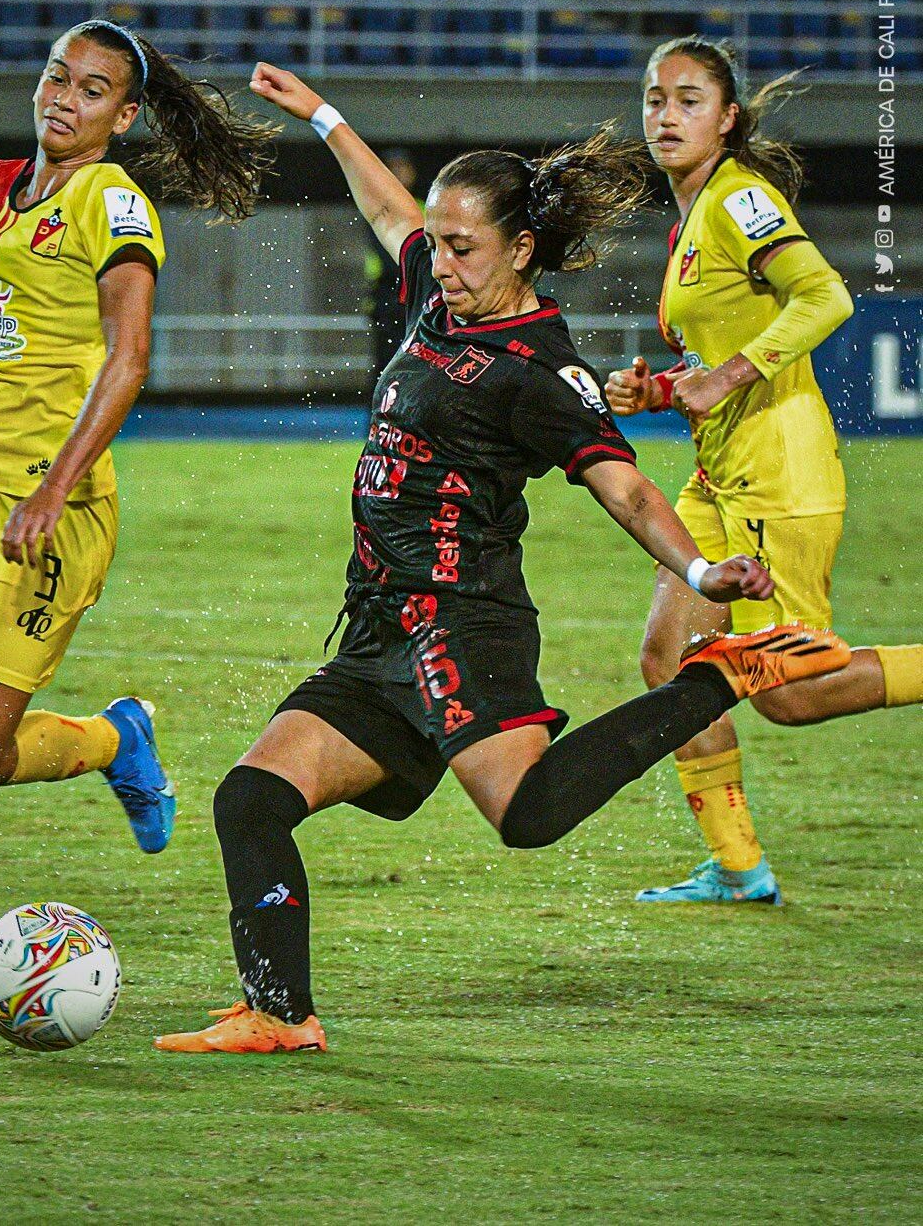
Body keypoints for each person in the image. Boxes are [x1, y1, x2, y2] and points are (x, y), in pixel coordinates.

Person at [154, 62, 850, 1056]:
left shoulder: (543, 369)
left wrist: (701, 578)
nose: (439, 263)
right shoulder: (440, 294)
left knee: (526, 816)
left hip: (461, 621)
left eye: (462, 247)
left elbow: (628, 487)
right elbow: (391, 212)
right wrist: (327, 118)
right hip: (380, 626)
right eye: (437, 245)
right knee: (252, 800)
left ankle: (723, 675)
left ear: (520, 249)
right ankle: (280, 1012)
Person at [0, 19, 275, 966]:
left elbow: (129, 358)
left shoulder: (111, 202)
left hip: (48, 515)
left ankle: (113, 741)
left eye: (89, 90)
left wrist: (52, 491)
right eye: (55, 77)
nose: (62, 98)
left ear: (121, 118)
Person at [605, 35, 923, 906]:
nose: (665, 115)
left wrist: (724, 376)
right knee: (670, 658)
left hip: (777, 476)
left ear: (728, 117)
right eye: (654, 99)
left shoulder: (740, 199)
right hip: (718, 477)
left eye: (688, 100)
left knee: (785, 690)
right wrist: (663, 387)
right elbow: (715, 353)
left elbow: (826, 295)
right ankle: (740, 868)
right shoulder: (694, 213)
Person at [363, 147, 420, 378]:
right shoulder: (375, 209)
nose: (398, 174)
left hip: (417, 299)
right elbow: (390, 260)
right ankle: (382, 412)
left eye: (403, 168)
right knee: (386, 364)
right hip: (387, 298)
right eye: (392, 169)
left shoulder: (424, 208)